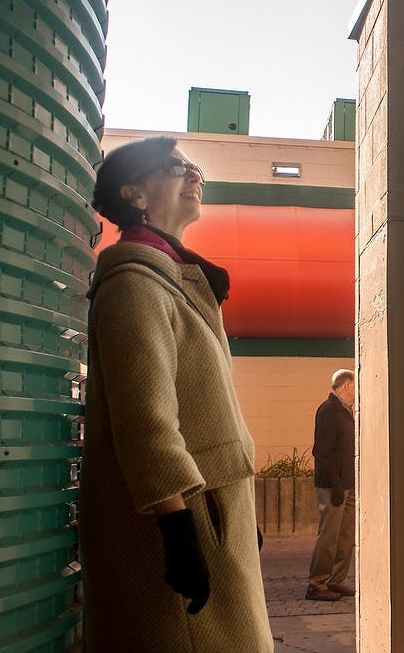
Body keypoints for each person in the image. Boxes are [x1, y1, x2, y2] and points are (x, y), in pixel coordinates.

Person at [80, 136, 273, 652]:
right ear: (135, 194)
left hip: (212, 513)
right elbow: (146, 423)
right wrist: (178, 534)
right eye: (175, 167)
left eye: (195, 167)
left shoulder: (171, 280)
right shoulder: (134, 285)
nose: (195, 176)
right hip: (184, 517)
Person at [306, 369, 357, 601]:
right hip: (332, 486)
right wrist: (335, 484)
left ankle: (336, 581)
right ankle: (317, 584)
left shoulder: (347, 412)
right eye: (356, 385)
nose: (357, 390)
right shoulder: (329, 410)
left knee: (345, 536)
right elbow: (322, 452)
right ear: (346, 386)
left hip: (347, 484)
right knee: (329, 536)